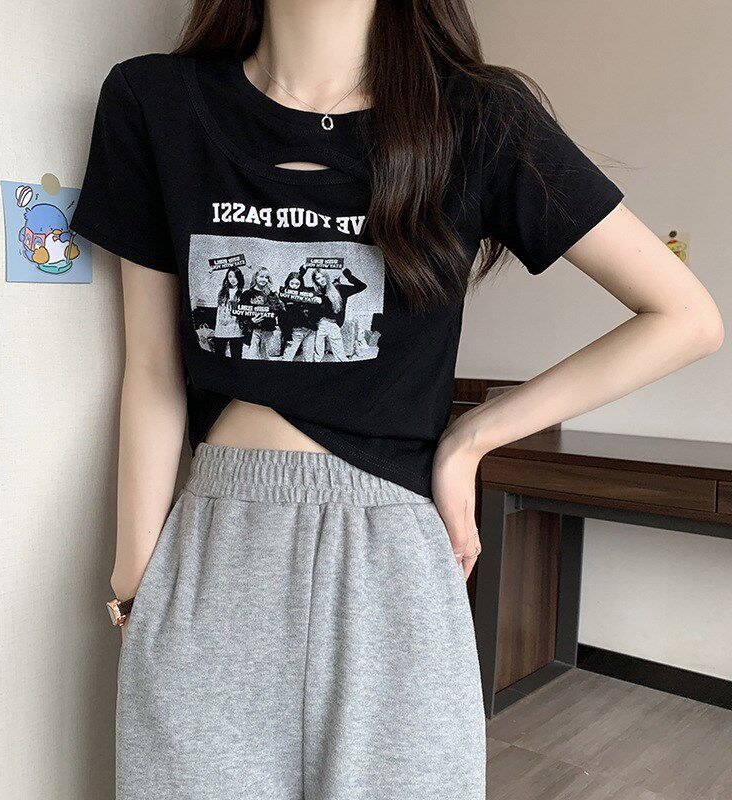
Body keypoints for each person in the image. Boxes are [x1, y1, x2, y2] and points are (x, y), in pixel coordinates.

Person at [69, 1, 724, 798]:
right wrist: (135, 581)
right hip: (214, 553)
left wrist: (471, 439)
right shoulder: (155, 102)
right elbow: (151, 369)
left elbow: (685, 318)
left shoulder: (478, 117)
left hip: (394, 561)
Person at [310, 266, 367, 361]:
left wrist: (347, 274)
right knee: (317, 354)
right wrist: (303, 270)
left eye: (323, 276)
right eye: (318, 278)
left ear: (327, 276)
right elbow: (297, 288)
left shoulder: (340, 289)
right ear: (315, 281)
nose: (321, 280)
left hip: (333, 324)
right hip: (320, 325)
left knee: (340, 354)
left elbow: (362, 286)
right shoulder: (315, 291)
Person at [238, 267, 284, 359]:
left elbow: (278, 310)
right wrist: (251, 321)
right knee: (252, 356)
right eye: (261, 276)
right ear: (256, 277)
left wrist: (273, 296)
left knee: (265, 357)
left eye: (266, 277)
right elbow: (240, 313)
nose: (264, 279)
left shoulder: (271, 294)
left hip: (268, 329)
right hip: (253, 330)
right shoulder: (247, 294)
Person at [278, 264, 322, 361]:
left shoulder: (307, 293)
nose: (294, 286)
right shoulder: (284, 297)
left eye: (297, 284)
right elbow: (282, 318)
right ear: (288, 283)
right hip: (295, 331)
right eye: (292, 284)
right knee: (288, 356)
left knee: (308, 358)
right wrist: (287, 336)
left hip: (311, 330)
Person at [212, 266, 245, 358]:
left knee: (236, 357)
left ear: (239, 277)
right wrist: (210, 273)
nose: (232, 279)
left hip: (236, 329)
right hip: (221, 329)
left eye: (235, 276)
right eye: (230, 276)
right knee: (219, 357)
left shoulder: (243, 292)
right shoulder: (220, 291)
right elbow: (206, 287)